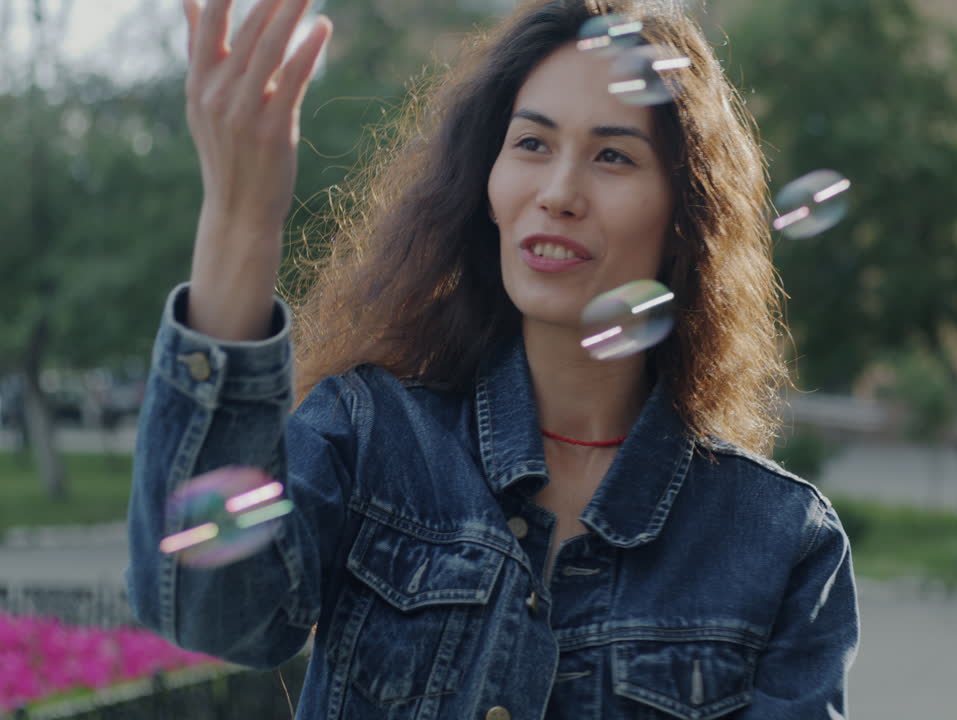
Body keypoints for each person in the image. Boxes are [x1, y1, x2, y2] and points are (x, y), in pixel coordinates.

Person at [126, 0, 859, 717]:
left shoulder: (780, 540)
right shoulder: (370, 437)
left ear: (685, 218)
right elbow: (206, 611)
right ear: (488, 187)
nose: (559, 193)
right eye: (532, 144)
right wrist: (240, 218)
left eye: (613, 156)